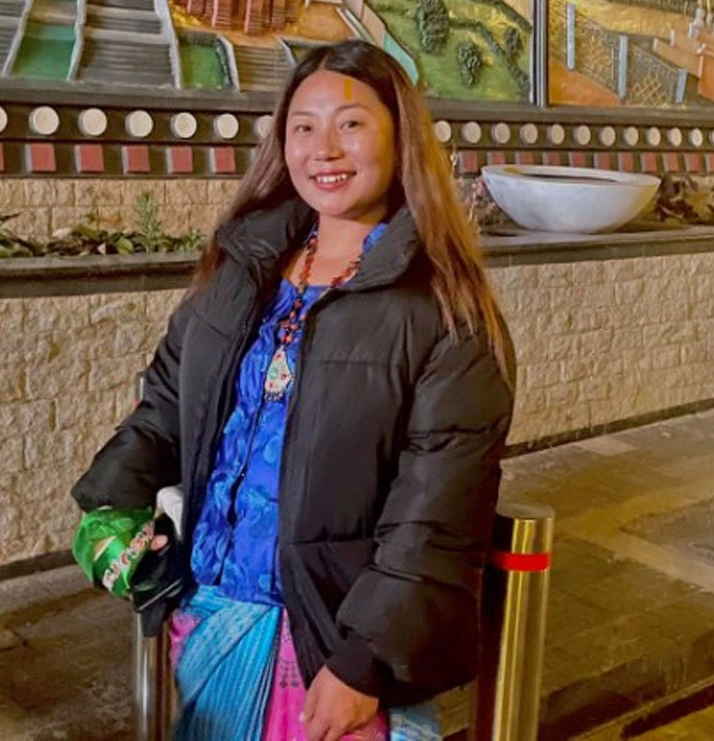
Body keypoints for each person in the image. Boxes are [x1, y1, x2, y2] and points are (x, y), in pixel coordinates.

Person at [72, 39, 516, 741]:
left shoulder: (443, 310)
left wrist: (364, 662)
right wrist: (111, 505)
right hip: (209, 616)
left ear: (401, 137)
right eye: (303, 127)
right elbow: (168, 404)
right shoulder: (243, 265)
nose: (323, 149)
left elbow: (437, 514)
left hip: (327, 644)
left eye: (351, 123)